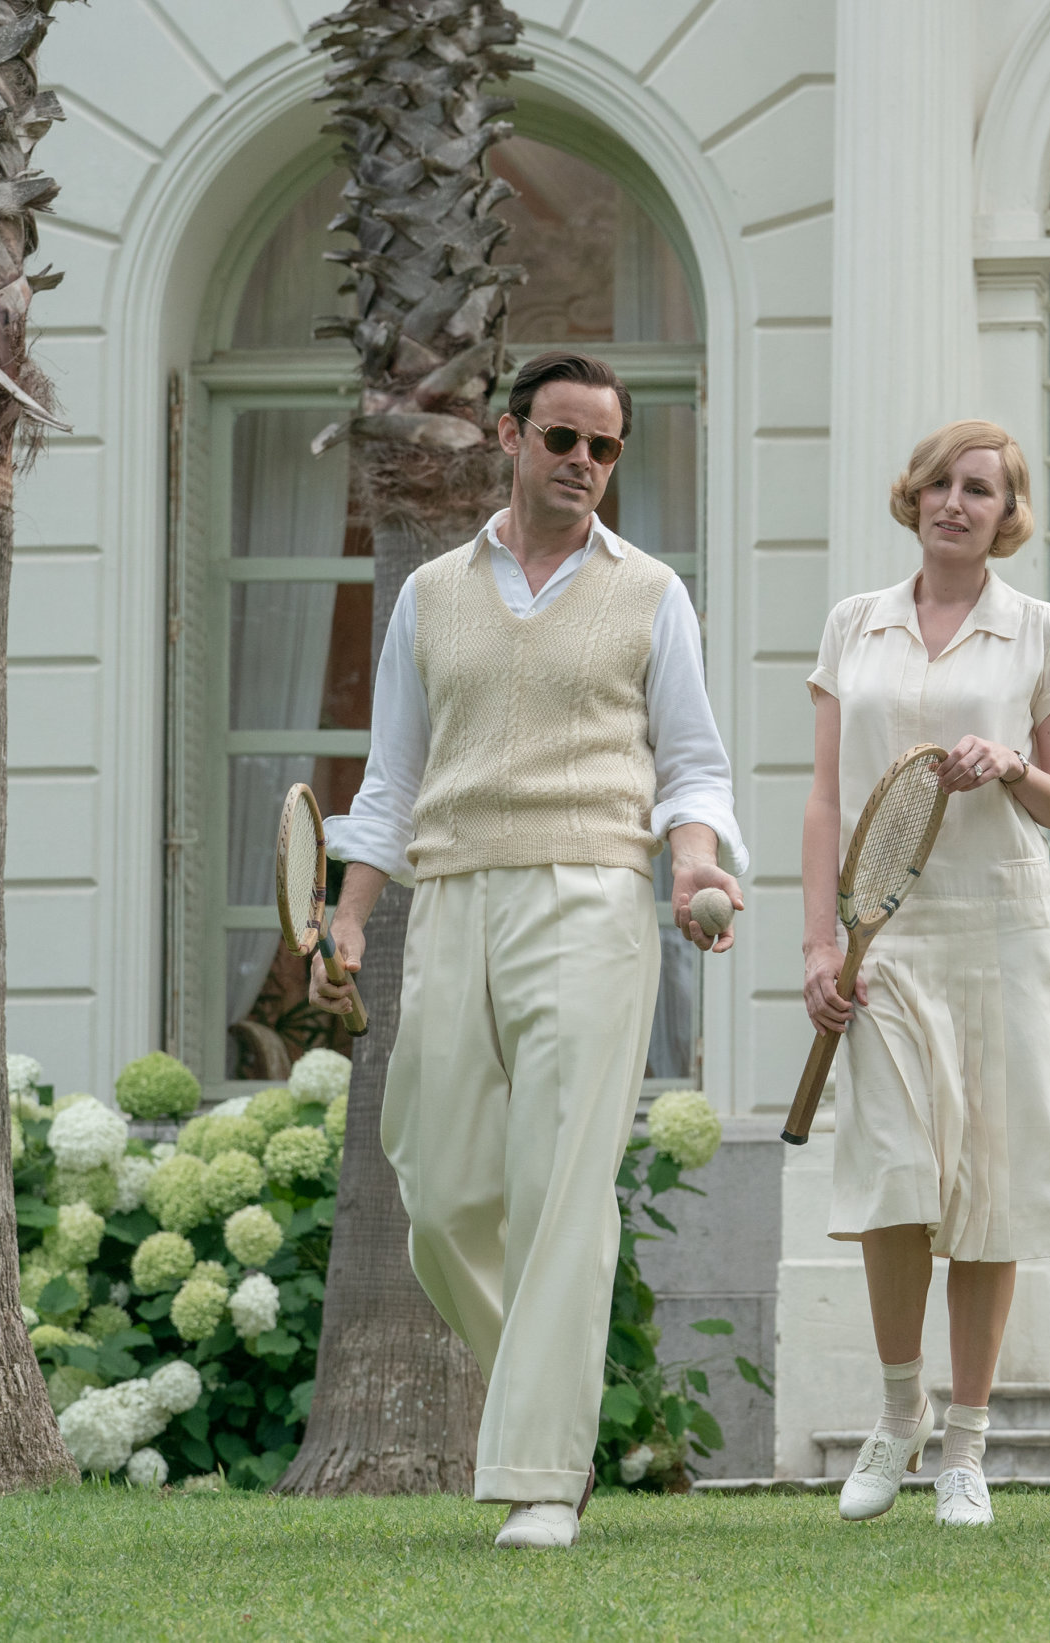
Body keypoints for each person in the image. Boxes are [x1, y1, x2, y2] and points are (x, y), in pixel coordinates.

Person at [310, 350, 747, 1550]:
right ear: (508, 437)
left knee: (563, 1185)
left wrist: (696, 861)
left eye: (604, 449)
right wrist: (350, 913)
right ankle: (552, 1408)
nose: (584, 466)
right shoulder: (431, 596)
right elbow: (391, 777)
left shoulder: (651, 590)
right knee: (440, 1193)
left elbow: (692, 758)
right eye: (563, 440)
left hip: (594, 895)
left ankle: (541, 1478)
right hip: (448, 898)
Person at [804, 419, 1050, 1528]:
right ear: (912, 497)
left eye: (979, 490)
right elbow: (827, 798)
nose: (955, 504)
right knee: (892, 1183)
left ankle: (966, 1445)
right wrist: (820, 944)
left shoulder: (1039, 633)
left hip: (1001, 939)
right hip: (885, 944)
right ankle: (897, 1416)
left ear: (1005, 513)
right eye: (938, 484)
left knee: (988, 1189)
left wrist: (1014, 763)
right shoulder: (853, 626)